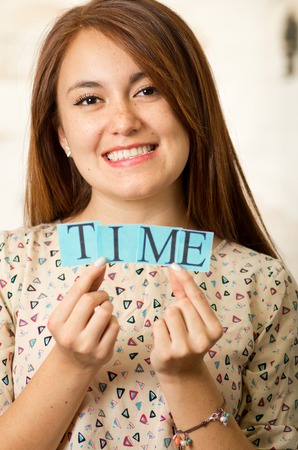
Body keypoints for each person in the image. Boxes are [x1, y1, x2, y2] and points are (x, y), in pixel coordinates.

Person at [0, 0, 297, 448]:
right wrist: (68, 364)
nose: (123, 121)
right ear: (61, 133)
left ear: (191, 106)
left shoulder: (264, 285)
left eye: (148, 90)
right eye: (89, 99)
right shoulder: (10, 268)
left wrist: (189, 382)